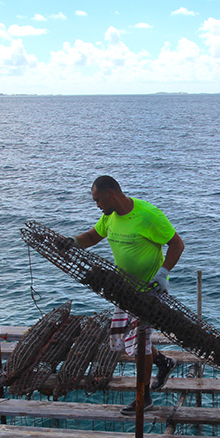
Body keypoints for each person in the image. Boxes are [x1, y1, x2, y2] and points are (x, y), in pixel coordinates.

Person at [73, 175, 184, 414]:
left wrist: (163, 273)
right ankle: (164, 362)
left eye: (98, 199)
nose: (97, 205)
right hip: (125, 292)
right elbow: (92, 237)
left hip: (150, 292)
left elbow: (177, 244)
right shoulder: (109, 218)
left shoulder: (148, 215)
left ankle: (144, 398)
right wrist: (70, 242)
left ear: (111, 193)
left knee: (141, 345)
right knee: (131, 341)